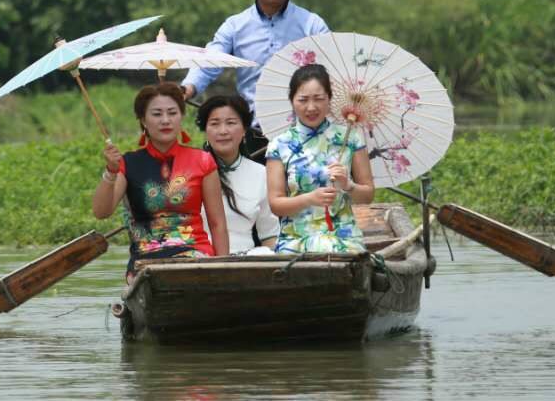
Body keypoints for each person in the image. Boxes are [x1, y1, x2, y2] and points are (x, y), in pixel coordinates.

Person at [181, 0, 330, 160]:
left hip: (306, 134)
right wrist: (188, 88)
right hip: (254, 133)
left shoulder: (312, 25)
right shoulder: (235, 26)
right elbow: (210, 61)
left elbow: (333, 70)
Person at [93, 82, 230, 279]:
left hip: (194, 254)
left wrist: (222, 269)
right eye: (157, 114)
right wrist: (111, 172)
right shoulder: (127, 163)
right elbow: (101, 212)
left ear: (181, 117)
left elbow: (217, 224)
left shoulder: (203, 161)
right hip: (145, 259)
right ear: (143, 120)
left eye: (172, 113)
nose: (165, 120)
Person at [265, 64, 375, 254]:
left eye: (319, 99)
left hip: (343, 236)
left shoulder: (351, 138)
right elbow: (276, 205)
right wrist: (309, 199)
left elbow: (367, 195)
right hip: (295, 238)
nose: (311, 107)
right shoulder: (280, 145)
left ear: (329, 99)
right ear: (292, 101)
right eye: (303, 100)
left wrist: (348, 185)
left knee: (337, 252)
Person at [196, 95, 278, 253]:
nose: (223, 131)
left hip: (245, 262)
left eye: (231, 123)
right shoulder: (191, 170)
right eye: (214, 124)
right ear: (205, 129)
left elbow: (270, 235)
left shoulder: (260, 173)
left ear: (244, 129)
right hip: (200, 258)